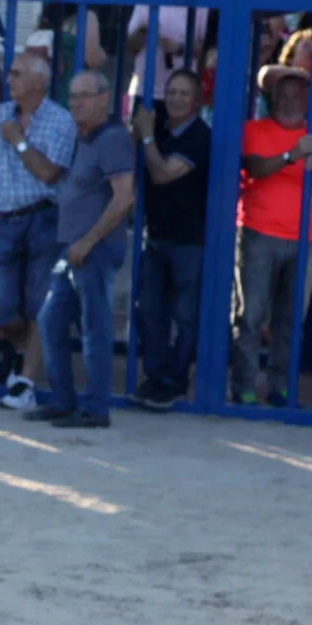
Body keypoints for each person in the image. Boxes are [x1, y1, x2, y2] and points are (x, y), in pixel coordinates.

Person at [30, 72, 134, 430]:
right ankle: (63, 401)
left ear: (104, 99)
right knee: (51, 321)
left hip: (94, 249)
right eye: (72, 97)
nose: (76, 103)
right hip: (73, 248)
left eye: (85, 96)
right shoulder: (84, 139)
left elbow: (124, 197)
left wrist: (89, 241)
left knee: (94, 327)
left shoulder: (113, 139)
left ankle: (95, 409)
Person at [229, 69, 312, 407]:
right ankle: (244, 386)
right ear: (272, 99)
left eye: (296, 95)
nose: (289, 101)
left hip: (306, 237)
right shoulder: (254, 130)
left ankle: (281, 388)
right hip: (258, 232)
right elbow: (254, 169)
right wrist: (292, 155)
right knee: (250, 315)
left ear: (307, 100)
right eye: (283, 95)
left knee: (290, 320)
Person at [0, 50, 75, 413]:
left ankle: (26, 380)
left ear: (39, 82)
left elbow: (50, 173)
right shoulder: (0, 116)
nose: (10, 80)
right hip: (7, 219)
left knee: (41, 303)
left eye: (18, 74)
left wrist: (18, 140)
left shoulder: (59, 121)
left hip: (44, 218)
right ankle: (24, 356)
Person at [128, 66, 209, 410]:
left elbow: (161, 174)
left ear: (196, 101)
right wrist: (141, 133)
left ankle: (175, 381)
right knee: (148, 309)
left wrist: (145, 138)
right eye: (171, 91)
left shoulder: (200, 136)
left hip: (189, 239)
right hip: (156, 235)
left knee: (186, 314)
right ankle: (156, 377)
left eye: (183, 93)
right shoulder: (160, 127)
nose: (175, 99)